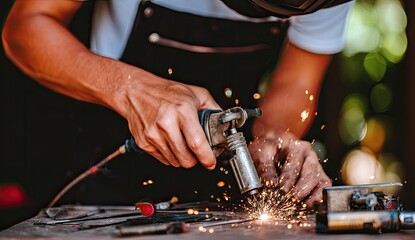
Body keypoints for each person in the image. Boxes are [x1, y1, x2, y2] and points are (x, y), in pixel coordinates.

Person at [2, 0, 354, 208]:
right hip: (103, 168)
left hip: (217, 188)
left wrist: (275, 140)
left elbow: (295, 83)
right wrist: (133, 91)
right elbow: (26, 27)